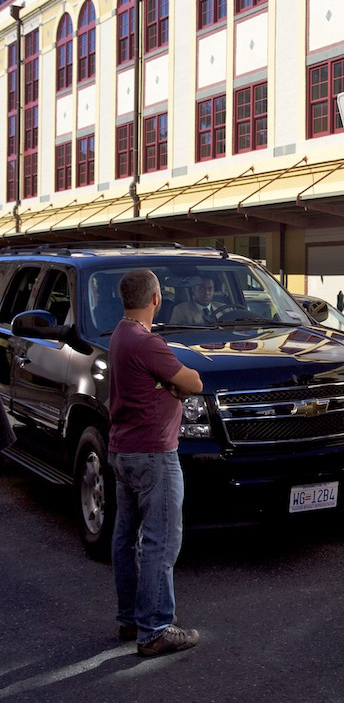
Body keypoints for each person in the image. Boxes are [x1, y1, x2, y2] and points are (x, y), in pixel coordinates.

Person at [109, 268, 203, 657]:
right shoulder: (148, 342)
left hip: (124, 449)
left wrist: (167, 384)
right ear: (156, 299)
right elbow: (194, 382)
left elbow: (166, 382)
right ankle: (155, 628)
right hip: (154, 453)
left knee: (126, 538)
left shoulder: (119, 335)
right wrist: (174, 384)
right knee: (161, 542)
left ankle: (131, 617)